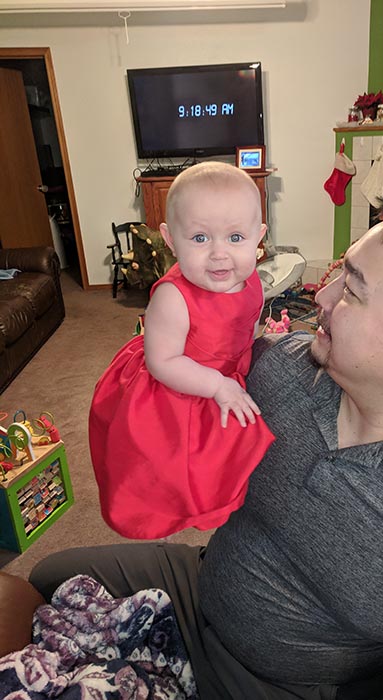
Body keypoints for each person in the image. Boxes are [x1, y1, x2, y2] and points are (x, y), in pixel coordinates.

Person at [31, 194, 383, 700]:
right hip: (199, 589)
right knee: (46, 577)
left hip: (288, 685)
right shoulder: (280, 369)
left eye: (352, 291)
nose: (322, 298)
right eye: (339, 272)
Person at [89, 161, 274, 540]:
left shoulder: (251, 278)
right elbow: (162, 362)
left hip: (218, 371)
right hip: (174, 384)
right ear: (171, 239)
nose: (220, 254)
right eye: (200, 239)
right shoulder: (174, 298)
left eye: (236, 238)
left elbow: (247, 321)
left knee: (234, 451)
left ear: (259, 236)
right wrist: (217, 385)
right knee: (174, 468)